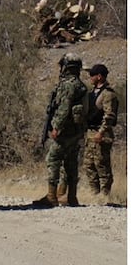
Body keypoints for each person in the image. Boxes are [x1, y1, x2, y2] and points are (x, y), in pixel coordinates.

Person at [32, 53, 89, 207]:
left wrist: (56, 127)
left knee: (53, 159)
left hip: (66, 131)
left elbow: (64, 108)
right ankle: (71, 197)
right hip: (76, 131)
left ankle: (52, 197)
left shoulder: (69, 85)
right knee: (71, 163)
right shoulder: (81, 85)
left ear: (66, 67)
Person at [83, 63, 118, 202]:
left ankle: (105, 195)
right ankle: (94, 194)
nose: (90, 77)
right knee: (89, 165)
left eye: (92, 75)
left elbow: (109, 115)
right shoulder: (92, 93)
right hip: (91, 133)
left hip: (102, 134)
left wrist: (102, 132)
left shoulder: (108, 94)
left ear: (99, 76)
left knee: (102, 165)